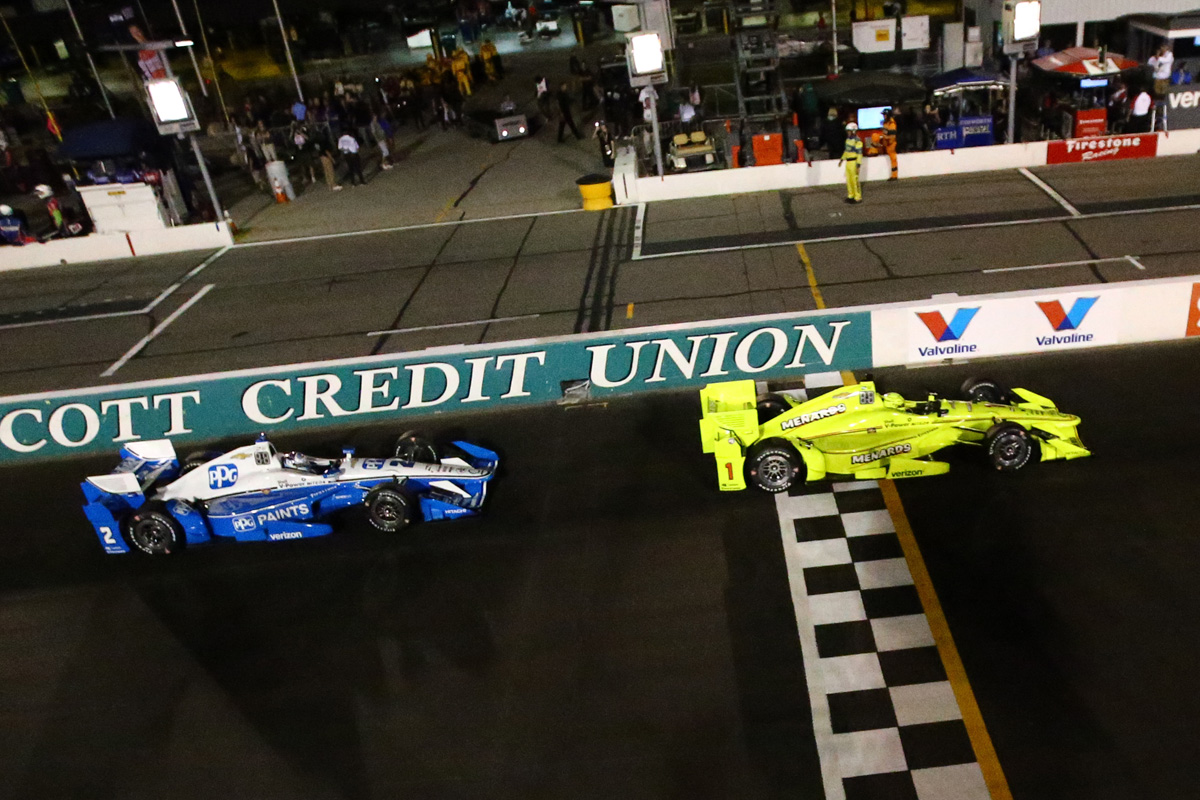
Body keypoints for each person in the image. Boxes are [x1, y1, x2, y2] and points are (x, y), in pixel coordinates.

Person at [838, 121, 863, 203]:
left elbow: (859, 154)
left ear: (853, 131)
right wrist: (842, 159)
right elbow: (846, 151)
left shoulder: (857, 140)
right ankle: (850, 195)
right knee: (849, 180)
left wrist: (858, 165)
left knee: (854, 180)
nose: (848, 133)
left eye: (849, 131)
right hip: (848, 162)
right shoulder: (848, 140)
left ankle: (857, 197)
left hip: (853, 162)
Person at [882, 107, 898, 180]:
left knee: (893, 159)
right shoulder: (885, 122)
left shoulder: (892, 123)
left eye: (885, 114)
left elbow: (892, 136)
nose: (884, 116)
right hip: (887, 143)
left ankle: (894, 175)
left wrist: (885, 137)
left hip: (891, 144)